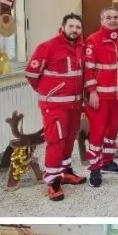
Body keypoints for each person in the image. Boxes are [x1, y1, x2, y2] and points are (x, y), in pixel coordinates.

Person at [25, 13, 88, 201]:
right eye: (71, 26)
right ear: (63, 27)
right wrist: (49, 92)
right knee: (55, 140)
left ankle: (66, 171)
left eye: (78, 27)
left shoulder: (81, 48)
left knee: (70, 138)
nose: (75, 30)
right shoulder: (47, 47)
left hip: (74, 104)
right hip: (54, 106)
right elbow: (31, 74)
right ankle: (53, 181)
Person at [84, 7, 118, 186]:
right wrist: (92, 92)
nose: (113, 21)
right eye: (108, 18)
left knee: (112, 130)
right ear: (102, 21)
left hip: (116, 97)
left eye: (116, 17)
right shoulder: (93, 40)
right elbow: (88, 69)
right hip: (99, 97)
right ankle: (94, 169)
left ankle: (107, 162)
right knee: (97, 132)